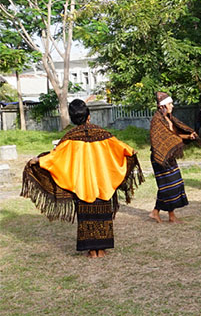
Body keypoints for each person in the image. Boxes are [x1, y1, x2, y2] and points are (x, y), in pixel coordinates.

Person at [21, 100, 144, 257]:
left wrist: (38, 161)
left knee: (87, 218)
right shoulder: (104, 135)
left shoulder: (70, 139)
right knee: (103, 216)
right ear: (89, 117)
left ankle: (92, 251)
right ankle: (101, 249)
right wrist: (132, 152)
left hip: (83, 187)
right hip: (102, 185)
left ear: (73, 119)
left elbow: (55, 158)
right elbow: (123, 149)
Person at [149, 92, 196, 223]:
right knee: (167, 186)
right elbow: (158, 140)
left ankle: (165, 214)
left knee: (174, 184)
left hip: (168, 157)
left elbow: (174, 136)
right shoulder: (156, 121)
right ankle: (159, 213)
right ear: (162, 106)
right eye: (170, 104)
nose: (172, 106)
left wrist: (188, 136)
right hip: (160, 158)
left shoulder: (169, 119)